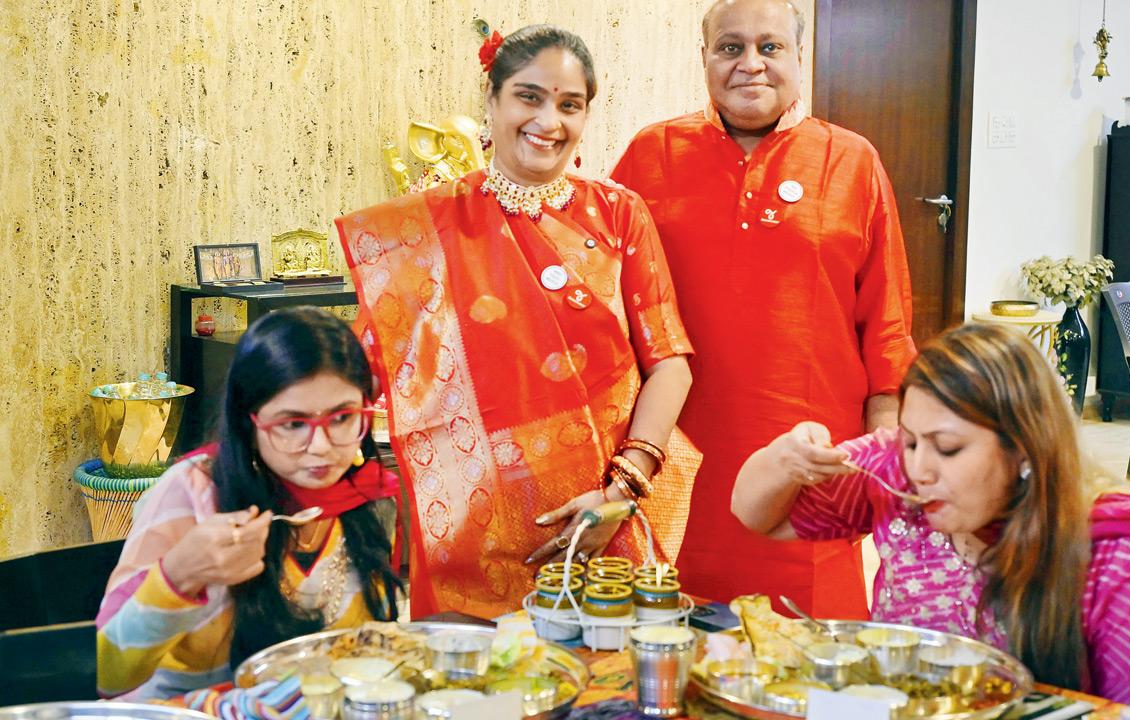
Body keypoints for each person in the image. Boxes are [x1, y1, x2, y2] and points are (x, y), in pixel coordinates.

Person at [336, 25, 698, 619]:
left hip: (607, 517)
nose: (548, 120)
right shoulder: (429, 230)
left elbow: (670, 362)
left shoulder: (619, 215)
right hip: (474, 532)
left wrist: (623, 489)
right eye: (528, 97)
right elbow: (360, 368)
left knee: (609, 695)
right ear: (493, 101)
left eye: (569, 104)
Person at [732, 323, 1130, 718]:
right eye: (911, 441)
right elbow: (756, 515)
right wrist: (786, 459)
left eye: (949, 448)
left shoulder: (1122, 557)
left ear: (1024, 449)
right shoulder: (900, 474)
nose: (919, 468)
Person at [610, 0, 914, 617]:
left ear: (799, 58)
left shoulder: (851, 161)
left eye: (770, 47)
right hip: (678, 458)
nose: (751, 64)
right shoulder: (651, 154)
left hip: (812, 459)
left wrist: (888, 469)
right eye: (730, 48)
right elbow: (609, 305)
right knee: (674, 654)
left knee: (805, 670)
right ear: (704, 59)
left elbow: (887, 328)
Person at [96, 308, 404, 700]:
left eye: (342, 418)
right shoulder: (192, 492)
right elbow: (106, 674)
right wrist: (178, 576)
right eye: (292, 425)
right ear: (248, 422)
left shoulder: (363, 492)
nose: (322, 448)